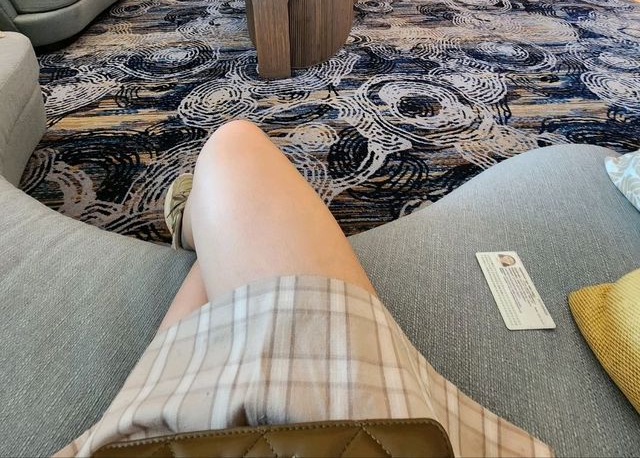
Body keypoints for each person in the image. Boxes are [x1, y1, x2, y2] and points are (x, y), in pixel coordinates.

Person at [57, 120, 552, 458]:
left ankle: (196, 222)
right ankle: (199, 221)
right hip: (361, 434)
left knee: (236, 141)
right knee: (242, 172)